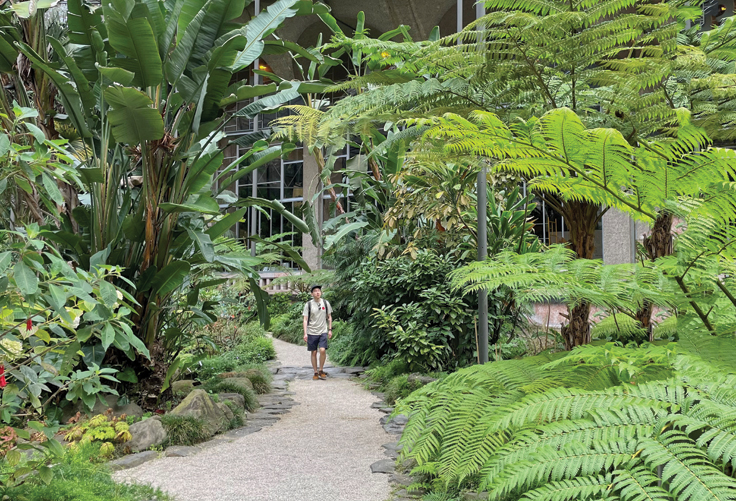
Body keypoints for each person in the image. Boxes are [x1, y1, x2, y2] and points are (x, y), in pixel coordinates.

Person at [303, 285, 332, 380]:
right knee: (314, 352)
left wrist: (330, 330)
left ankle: (321, 370)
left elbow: (329, 317)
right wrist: (305, 333)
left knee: (322, 350)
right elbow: (305, 319)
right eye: (315, 291)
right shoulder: (308, 304)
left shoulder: (325, 303)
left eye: (319, 290)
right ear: (312, 294)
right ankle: (315, 372)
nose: (317, 292)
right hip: (312, 331)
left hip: (323, 330)